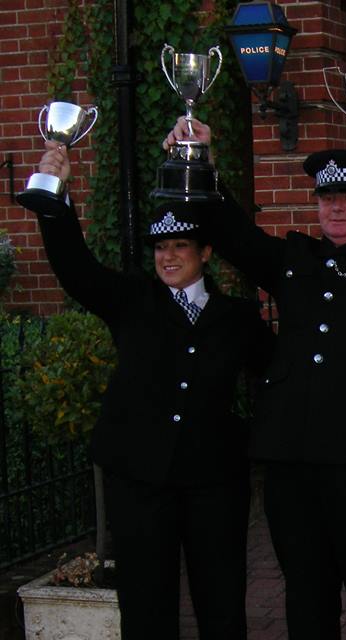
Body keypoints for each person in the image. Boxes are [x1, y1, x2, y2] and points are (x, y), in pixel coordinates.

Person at [163, 118, 346, 639]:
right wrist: (200, 161)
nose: (336, 208)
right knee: (305, 596)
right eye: (326, 198)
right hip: (293, 460)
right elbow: (232, 233)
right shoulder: (294, 260)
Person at [25, 141, 275, 639]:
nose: (168, 256)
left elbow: (275, 373)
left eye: (180, 246)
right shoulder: (132, 300)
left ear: (205, 252)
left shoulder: (237, 317)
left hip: (213, 478)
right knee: (146, 603)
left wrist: (249, 435)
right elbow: (75, 269)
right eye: (161, 248)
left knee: (222, 599)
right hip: (139, 477)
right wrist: (56, 198)